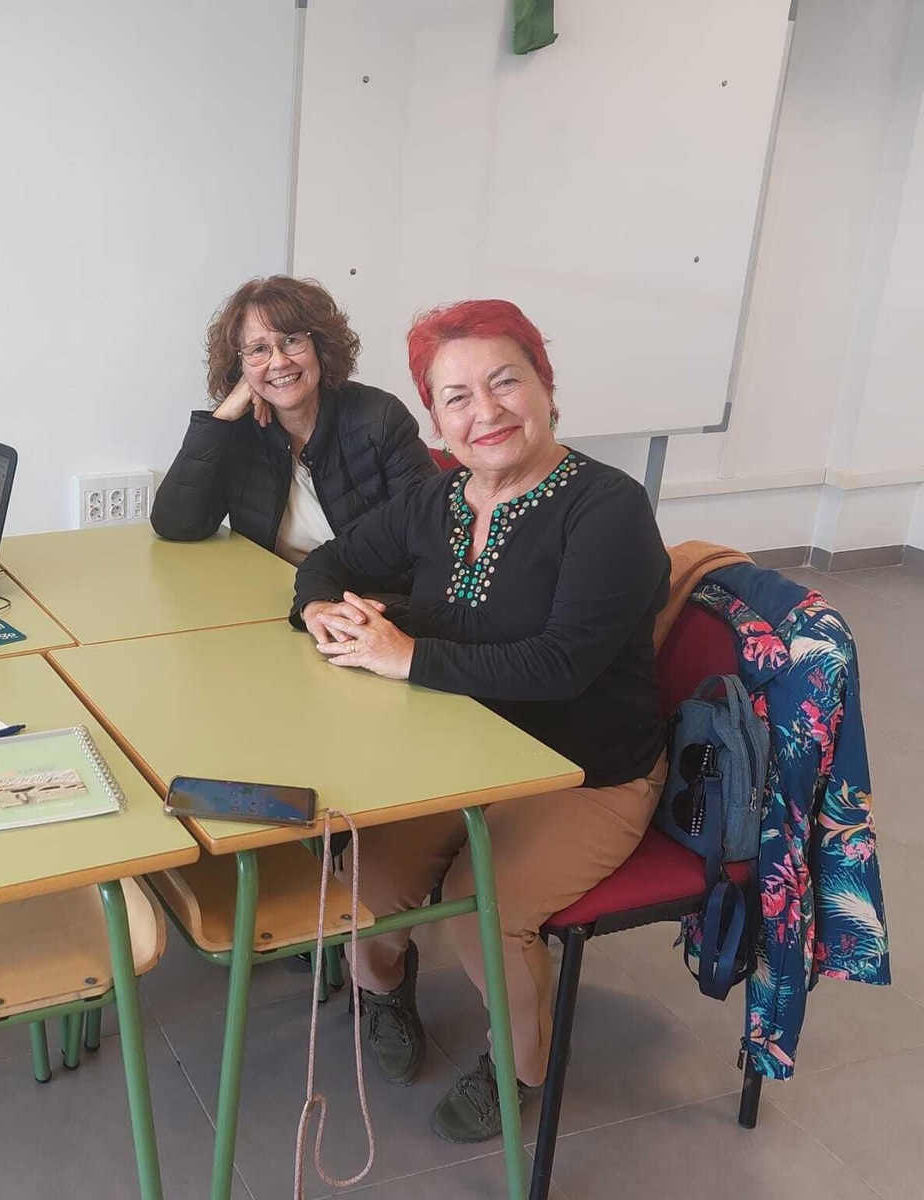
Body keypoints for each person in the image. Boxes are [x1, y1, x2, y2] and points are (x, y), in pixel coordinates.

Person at [292, 299, 669, 1144]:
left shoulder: (606, 507)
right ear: (437, 418)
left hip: (588, 767)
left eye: (506, 382)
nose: (485, 411)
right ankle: (383, 992)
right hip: (458, 753)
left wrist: (406, 657)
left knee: (478, 904)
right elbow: (335, 557)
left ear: (546, 387)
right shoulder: (440, 500)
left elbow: (563, 662)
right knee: (370, 880)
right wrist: (318, 605)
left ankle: (520, 1067)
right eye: (456, 396)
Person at [152, 276, 434, 565]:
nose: (278, 362)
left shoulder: (380, 417)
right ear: (241, 365)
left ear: (319, 347)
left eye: (291, 340)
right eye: (258, 349)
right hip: (273, 596)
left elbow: (430, 535)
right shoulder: (238, 432)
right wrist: (220, 419)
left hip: (368, 599)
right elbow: (176, 524)